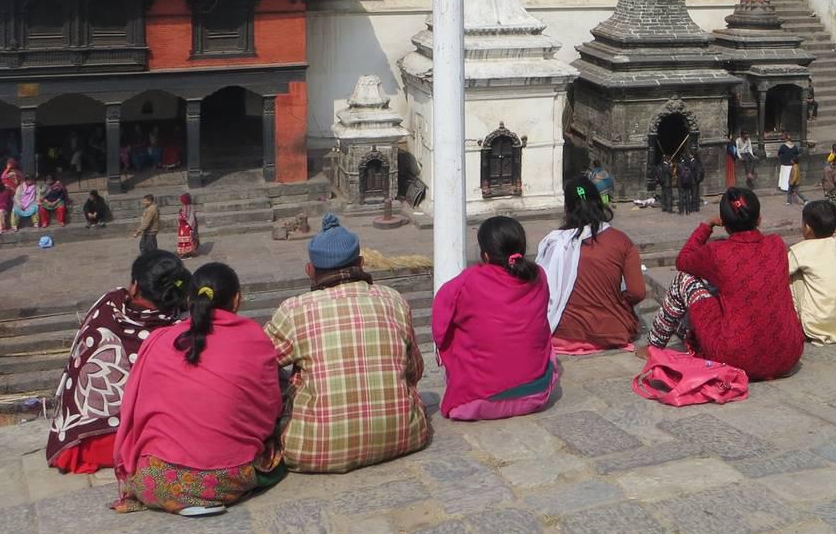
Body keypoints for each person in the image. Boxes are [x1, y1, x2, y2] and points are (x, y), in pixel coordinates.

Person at [112, 262, 282, 513]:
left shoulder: (158, 340)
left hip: (153, 482)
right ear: (236, 300)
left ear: (189, 299)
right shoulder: (254, 337)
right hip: (225, 480)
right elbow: (269, 410)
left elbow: (133, 408)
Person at [266, 215, 431, 473]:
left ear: (310, 270)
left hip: (312, 450)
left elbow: (256, 363)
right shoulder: (394, 300)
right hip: (405, 435)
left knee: (272, 371)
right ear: (362, 263)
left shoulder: (294, 310)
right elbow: (415, 371)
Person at [47, 251, 192, 474]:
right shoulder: (184, 327)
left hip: (86, 439)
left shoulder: (108, 303)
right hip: (152, 439)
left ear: (134, 287)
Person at [646, 187, 805, 381]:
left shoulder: (717, 252)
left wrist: (708, 224)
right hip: (788, 354)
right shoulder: (777, 244)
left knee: (684, 280)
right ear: (759, 219)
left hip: (738, 358)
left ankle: (654, 345)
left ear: (725, 224)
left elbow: (683, 261)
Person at [432, 216, 556, 420]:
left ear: (485, 255)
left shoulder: (467, 282)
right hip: (536, 394)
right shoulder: (539, 275)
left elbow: (440, 328)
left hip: (475, 401)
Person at [535, 176, 645, 352]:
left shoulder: (554, 242)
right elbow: (637, 292)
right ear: (599, 202)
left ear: (567, 208)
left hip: (561, 333)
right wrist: (615, 302)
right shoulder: (621, 241)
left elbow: (540, 289)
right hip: (610, 332)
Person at [788, 200, 836, 344]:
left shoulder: (800, 251)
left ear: (807, 228)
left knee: (792, 277)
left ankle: (797, 322)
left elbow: (779, 273)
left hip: (817, 324)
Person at [776, 133, 801, 205]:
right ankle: (791, 188)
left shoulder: (783, 147)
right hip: (792, 165)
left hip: (784, 164)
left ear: (786, 139)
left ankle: (784, 187)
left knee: (785, 176)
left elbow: (779, 154)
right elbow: (797, 154)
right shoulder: (795, 147)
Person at [676, 150, 703, 215]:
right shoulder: (688, 162)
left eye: (690, 155)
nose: (689, 156)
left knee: (693, 194)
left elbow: (696, 171)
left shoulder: (694, 162)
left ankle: (694, 207)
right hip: (689, 180)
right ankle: (689, 209)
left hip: (692, 180)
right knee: (689, 194)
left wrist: (697, 179)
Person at [176, 192, 199, 259]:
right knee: (187, 240)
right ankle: (188, 253)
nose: (181, 202)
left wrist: (180, 216)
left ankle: (185, 254)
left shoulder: (188, 208)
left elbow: (187, 217)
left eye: (181, 200)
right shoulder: (188, 207)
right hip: (183, 227)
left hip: (186, 227)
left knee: (187, 240)